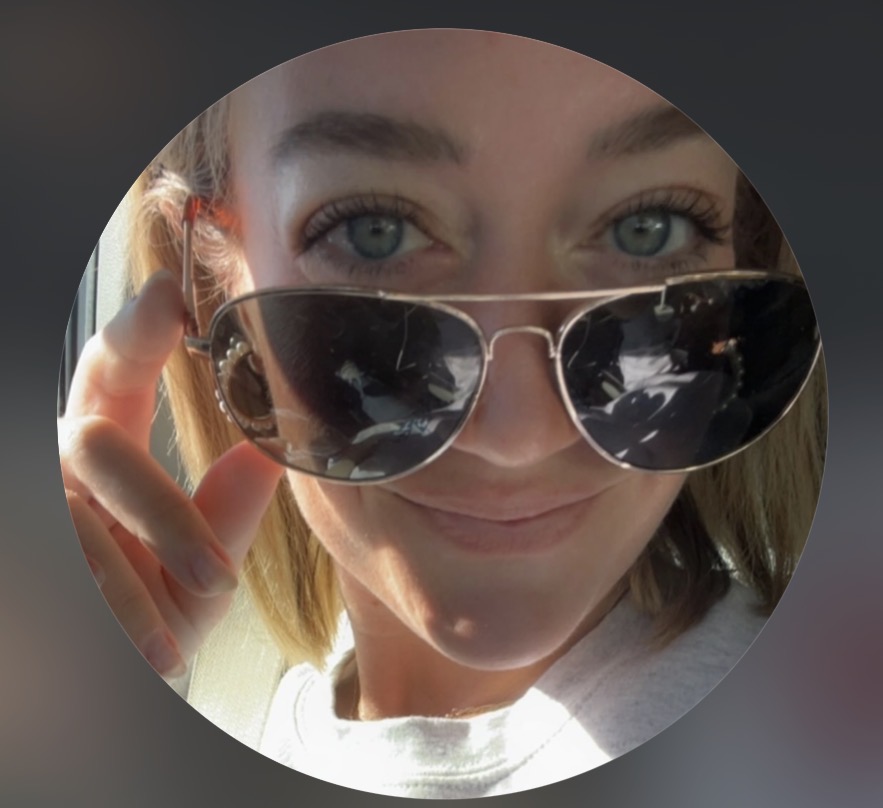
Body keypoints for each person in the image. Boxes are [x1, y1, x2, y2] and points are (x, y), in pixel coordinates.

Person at [58, 29, 826, 798]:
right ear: (210, 280)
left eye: (649, 228)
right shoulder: (230, 706)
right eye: (375, 233)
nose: (519, 437)